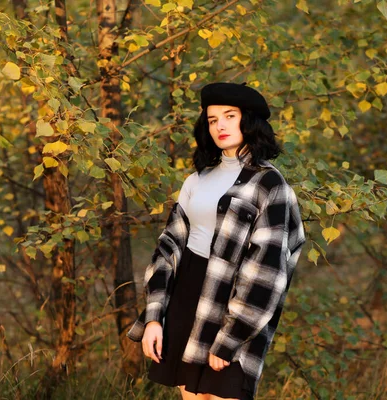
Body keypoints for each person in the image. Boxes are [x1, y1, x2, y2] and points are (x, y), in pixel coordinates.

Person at [127, 82, 306, 400]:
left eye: (229, 115)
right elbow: (167, 250)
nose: (220, 125)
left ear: (249, 120)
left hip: (232, 306)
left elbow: (268, 271)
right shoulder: (196, 180)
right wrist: (154, 317)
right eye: (212, 119)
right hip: (185, 300)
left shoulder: (269, 184)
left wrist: (231, 336)